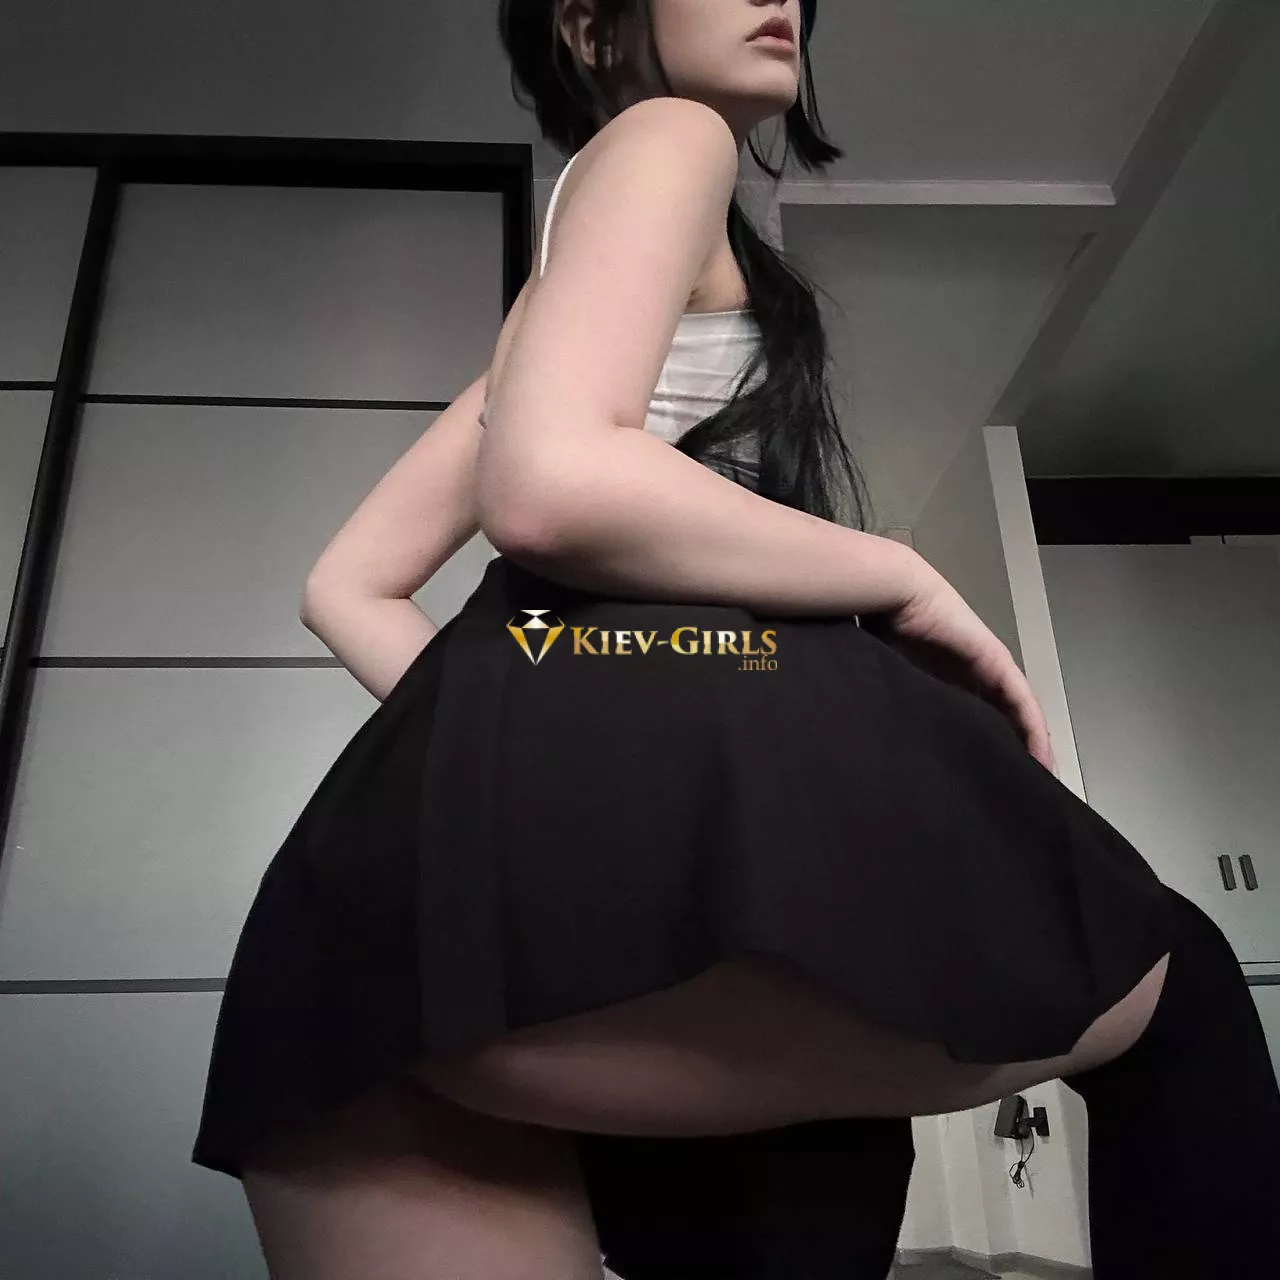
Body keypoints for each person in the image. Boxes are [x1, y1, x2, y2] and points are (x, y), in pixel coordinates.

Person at [191, 2, 1280, 1276]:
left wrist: (529, 768)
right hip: (672, 909)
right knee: (1178, 982)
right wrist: (896, 572)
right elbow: (547, 485)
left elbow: (347, 584)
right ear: (589, 24)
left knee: (790, 1191)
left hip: (371, 951)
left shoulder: (547, 313)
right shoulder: (671, 135)